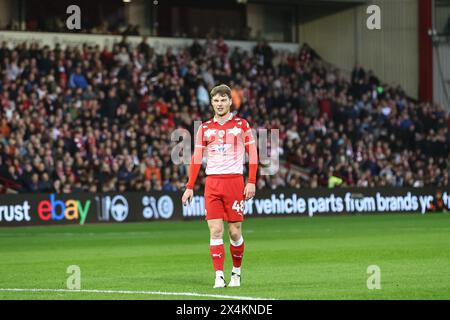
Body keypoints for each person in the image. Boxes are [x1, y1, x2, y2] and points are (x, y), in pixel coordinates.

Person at [181, 84, 258, 288]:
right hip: (212, 183)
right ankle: (218, 276)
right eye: (216, 100)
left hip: (234, 182)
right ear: (212, 103)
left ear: (230, 101)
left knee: (234, 232)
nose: (220, 103)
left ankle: (236, 272)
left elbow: (254, 154)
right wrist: (190, 186)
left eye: (223, 100)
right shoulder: (205, 128)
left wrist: (251, 181)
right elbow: (197, 158)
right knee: (215, 231)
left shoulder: (241, 125)